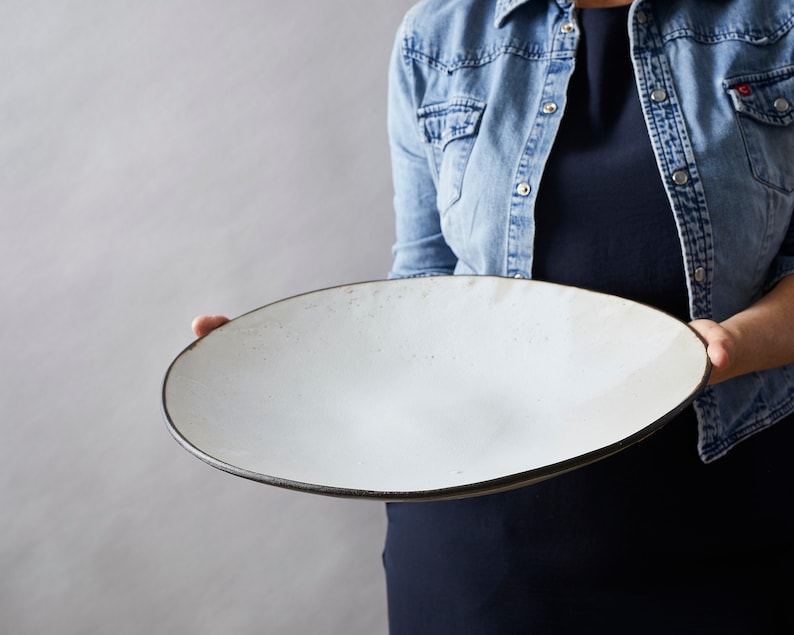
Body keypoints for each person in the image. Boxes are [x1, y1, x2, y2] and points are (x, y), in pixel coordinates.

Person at [194, 0, 794, 631]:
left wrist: (733, 346)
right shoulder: (439, 35)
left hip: (722, 520)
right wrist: (291, 364)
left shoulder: (774, 22)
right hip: (480, 553)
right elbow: (420, 283)